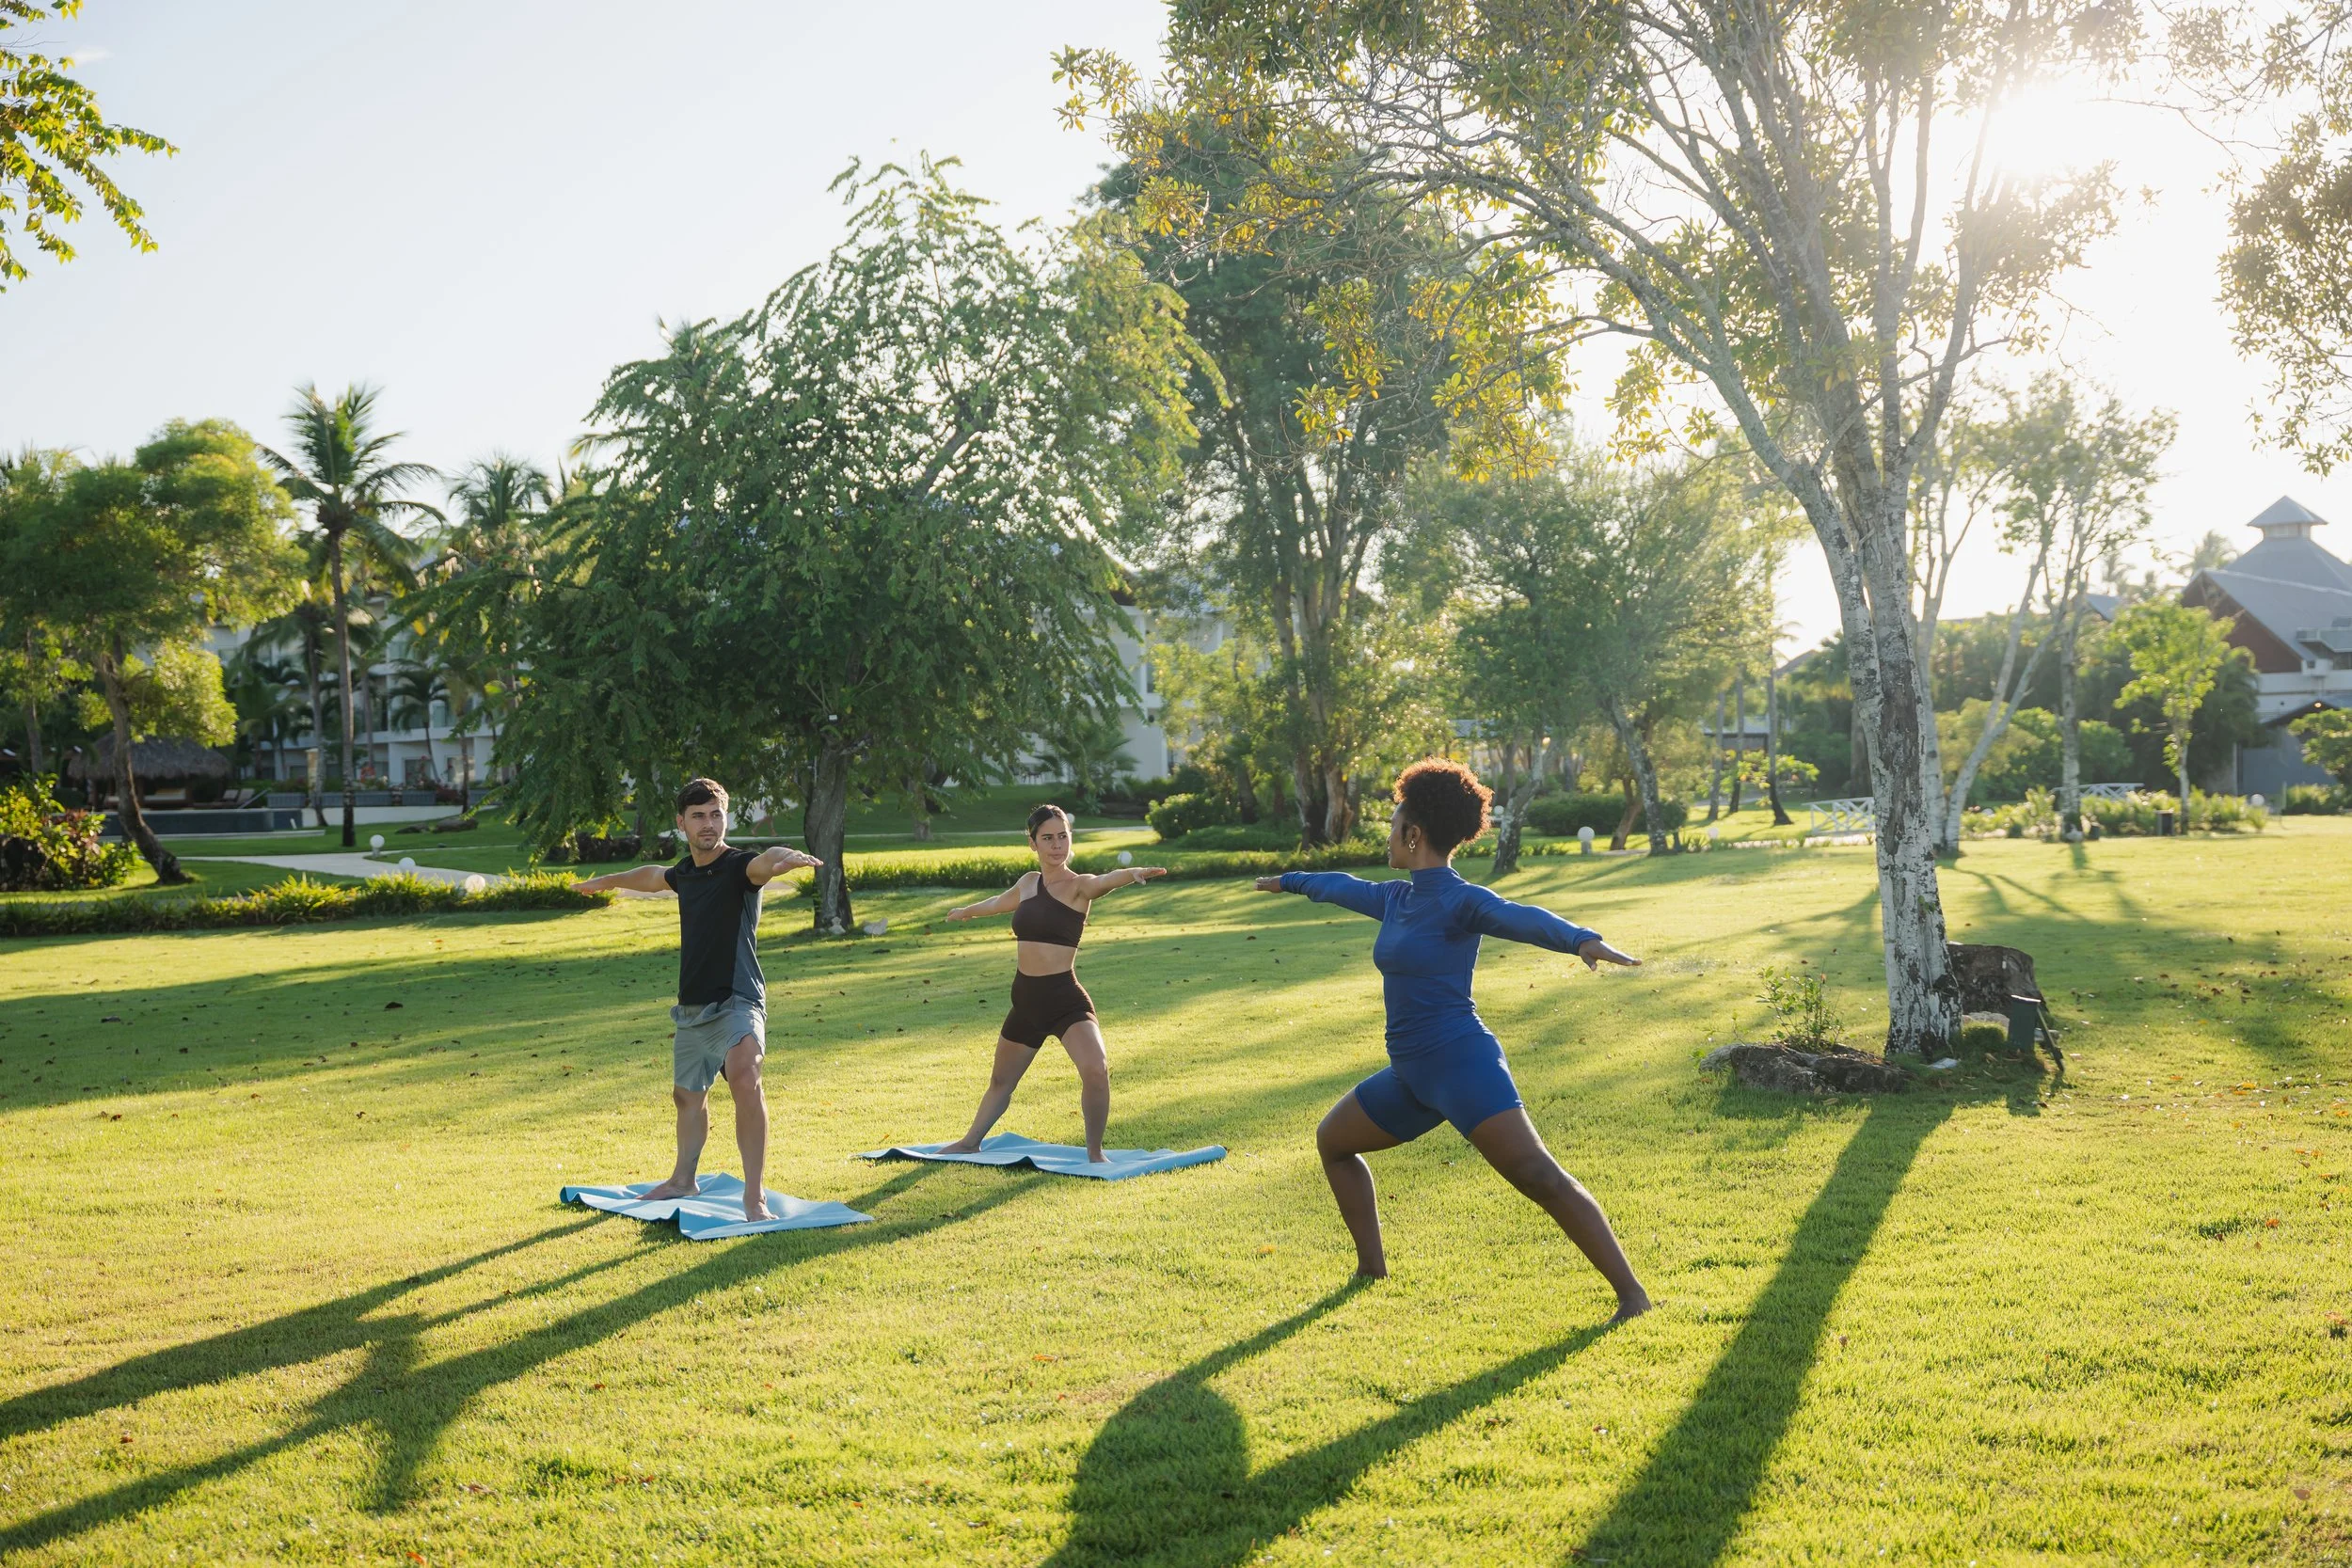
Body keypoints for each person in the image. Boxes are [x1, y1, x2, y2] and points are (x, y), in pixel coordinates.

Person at [1253, 758, 1651, 1319]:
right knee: (1335, 1141)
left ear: (1413, 835)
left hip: (1461, 1064)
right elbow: (1340, 887)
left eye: (1393, 827)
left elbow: (1519, 916)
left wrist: (1581, 940)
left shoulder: (1461, 901)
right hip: (1412, 1075)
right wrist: (1289, 882)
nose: (1387, 836)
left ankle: (1632, 1296)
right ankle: (1371, 1269)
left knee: (1538, 1175)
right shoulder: (1396, 899)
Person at [573, 777, 821, 1221]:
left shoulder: (739, 867)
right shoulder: (684, 873)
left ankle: (755, 1197)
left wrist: (788, 858)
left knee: (746, 1080)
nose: (709, 825)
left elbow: (765, 862)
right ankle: (683, 1179)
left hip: (737, 1001)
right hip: (690, 1008)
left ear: (725, 817)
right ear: (682, 823)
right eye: (698, 816)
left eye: (716, 815)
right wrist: (604, 880)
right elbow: (649, 878)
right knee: (688, 1098)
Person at [938, 803, 1166, 1162]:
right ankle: (970, 1142)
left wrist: (1132, 873)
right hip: (1026, 1000)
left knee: (1096, 1068)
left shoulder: (1078, 886)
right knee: (1001, 1082)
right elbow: (1000, 902)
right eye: (1048, 838)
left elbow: (1103, 881)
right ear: (1032, 843)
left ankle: (1095, 1152)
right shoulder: (1028, 883)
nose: (1057, 845)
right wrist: (967, 911)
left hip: (1064, 999)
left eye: (1063, 836)